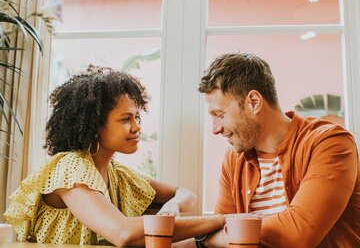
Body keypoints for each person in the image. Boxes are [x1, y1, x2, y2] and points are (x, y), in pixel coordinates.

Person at [3, 65, 225, 246]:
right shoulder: (70, 167)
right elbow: (123, 233)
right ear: (96, 125)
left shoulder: (117, 174)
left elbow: (185, 193)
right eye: (125, 119)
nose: (137, 127)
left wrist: (174, 205)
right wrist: (221, 220)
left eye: (137, 117)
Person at [196, 53, 360, 247]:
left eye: (220, 115)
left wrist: (220, 236)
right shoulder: (234, 159)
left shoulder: (329, 143)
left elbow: (298, 233)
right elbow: (217, 229)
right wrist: (215, 237)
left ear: (254, 102)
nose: (215, 129)